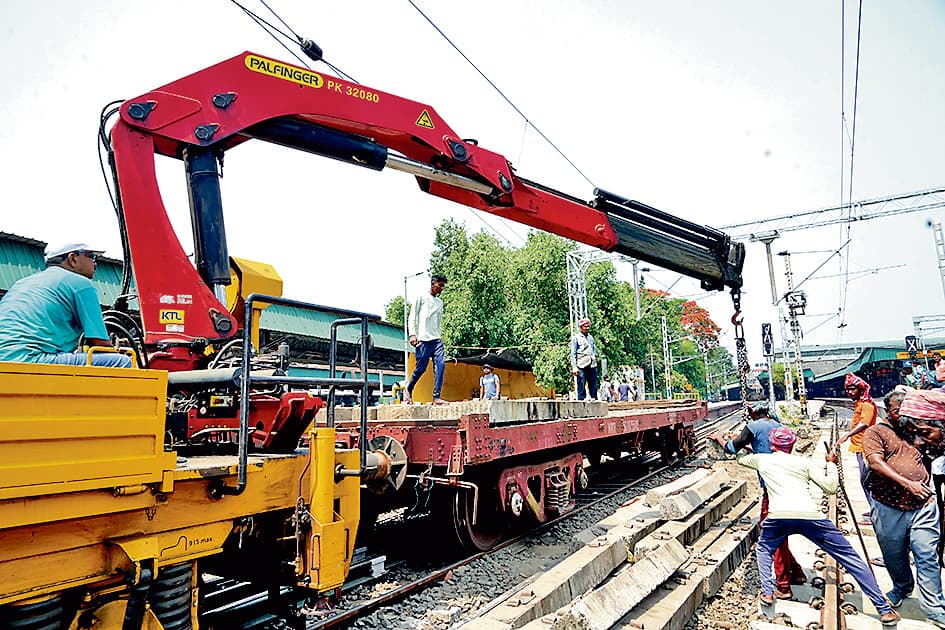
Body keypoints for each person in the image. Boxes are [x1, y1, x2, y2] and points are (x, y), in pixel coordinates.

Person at [737, 427, 899, 625]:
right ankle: (884, 610)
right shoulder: (803, 463)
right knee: (849, 557)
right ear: (792, 445)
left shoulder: (762, 460)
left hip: (778, 517)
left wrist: (735, 443)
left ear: (772, 445)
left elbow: (738, 457)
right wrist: (831, 465)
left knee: (764, 549)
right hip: (811, 516)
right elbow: (831, 487)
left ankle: (768, 593)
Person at [863, 389, 945, 626]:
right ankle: (902, 587)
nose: (903, 417)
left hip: (923, 505)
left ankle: (934, 607)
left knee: (927, 555)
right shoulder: (876, 432)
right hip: (889, 506)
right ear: (888, 411)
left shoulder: (917, 432)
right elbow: (876, 463)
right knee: (894, 555)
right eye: (897, 411)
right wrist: (908, 483)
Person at [711, 403, 806, 598]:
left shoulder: (753, 426)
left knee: (772, 534)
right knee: (779, 532)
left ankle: (782, 586)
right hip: (789, 485)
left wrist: (720, 439)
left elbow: (731, 449)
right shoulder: (779, 426)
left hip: (771, 490)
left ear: (753, 413)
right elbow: (768, 449)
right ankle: (796, 573)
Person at [0, 242, 132, 368]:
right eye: (91, 256)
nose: (95, 263)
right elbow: (100, 343)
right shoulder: (81, 284)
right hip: (33, 359)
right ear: (73, 258)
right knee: (122, 362)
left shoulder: (22, 283)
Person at [834, 373, 877, 522]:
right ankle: (874, 510)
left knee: (867, 481)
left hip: (866, 448)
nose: (850, 392)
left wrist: (847, 435)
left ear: (860, 389)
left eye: (853, 389)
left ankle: (876, 513)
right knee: (865, 480)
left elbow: (864, 423)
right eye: (849, 390)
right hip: (859, 447)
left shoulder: (867, 405)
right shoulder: (859, 403)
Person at [405, 274, 448, 404]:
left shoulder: (440, 303)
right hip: (423, 339)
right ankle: (409, 388)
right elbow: (412, 316)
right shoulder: (421, 297)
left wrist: (439, 335)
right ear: (433, 283)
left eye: (443, 287)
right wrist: (412, 334)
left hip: (436, 340)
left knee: (441, 365)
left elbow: (438, 321)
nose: (441, 289)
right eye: (440, 286)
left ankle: (436, 397)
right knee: (421, 368)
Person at [571, 318, 599, 401]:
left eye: (588, 326)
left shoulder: (590, 337)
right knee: (581, 385)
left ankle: (594, 401)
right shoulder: (576, 338)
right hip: (581, 364)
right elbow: (573, 354)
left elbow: (594, 349)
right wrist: (574, 367)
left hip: (592, 364)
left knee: (593, 385)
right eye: (585, 327)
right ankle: (580, 402)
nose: (587, 328)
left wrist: (595, 357)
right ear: (581, 327)